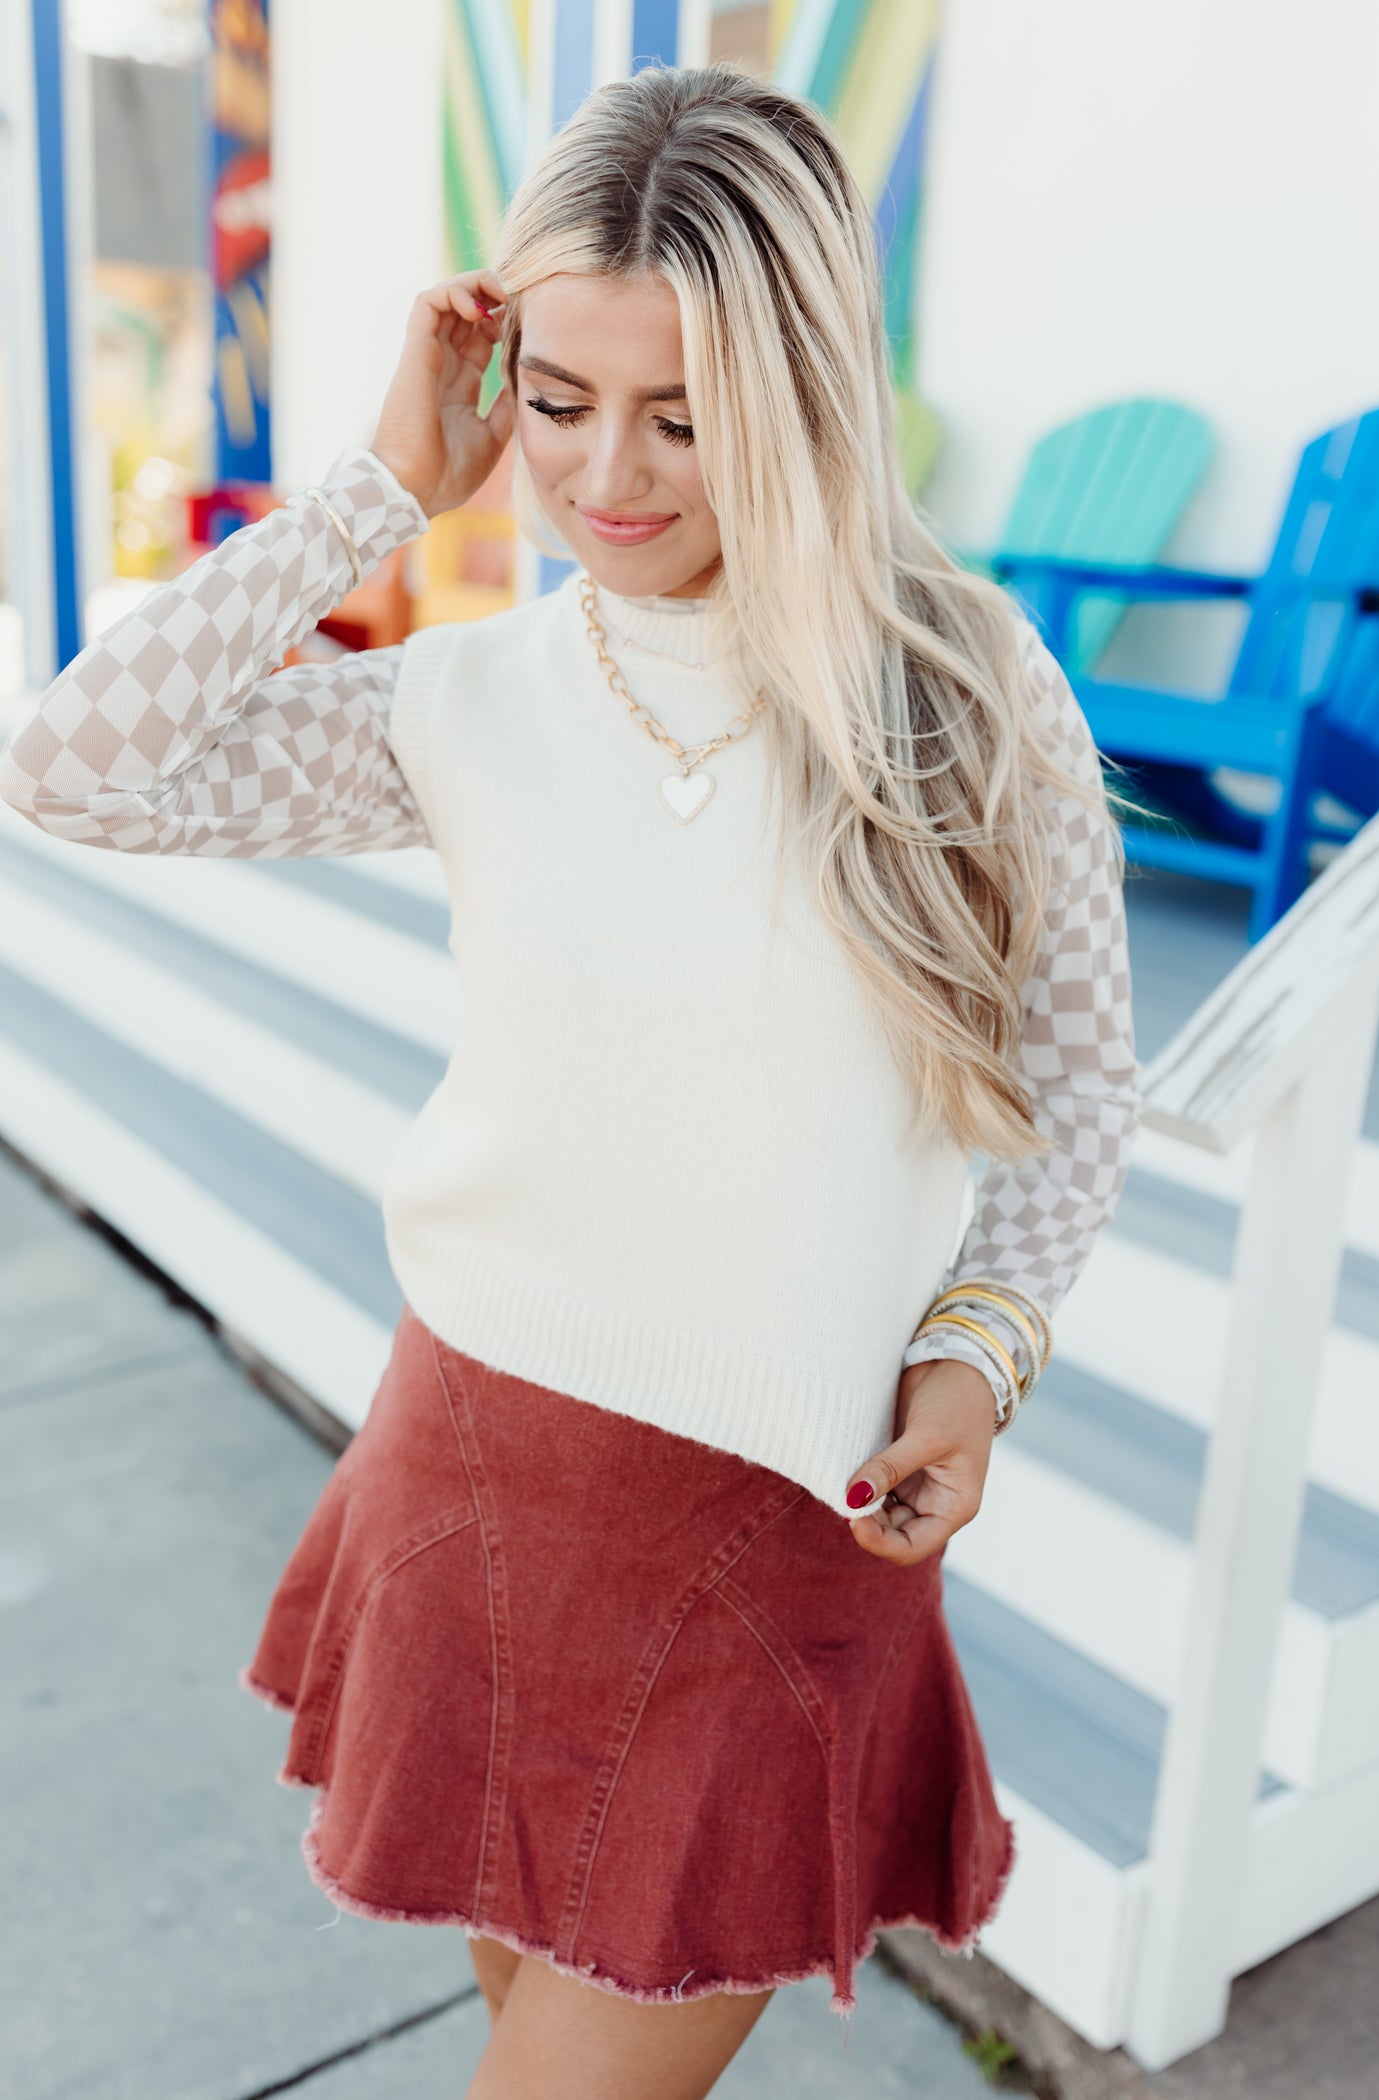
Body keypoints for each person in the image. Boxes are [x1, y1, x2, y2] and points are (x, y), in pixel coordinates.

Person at [0, 59, 1144, 2100]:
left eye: (685, 417)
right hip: (477, 1472)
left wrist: (973, 1361)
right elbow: (70, 764)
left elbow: (1072, 1098)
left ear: (806, 397)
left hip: (779, 1529)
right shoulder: (470, 698)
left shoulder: (965, 697)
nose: (608, 476)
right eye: (556, 401)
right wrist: (370, 491)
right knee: (528, 2036)